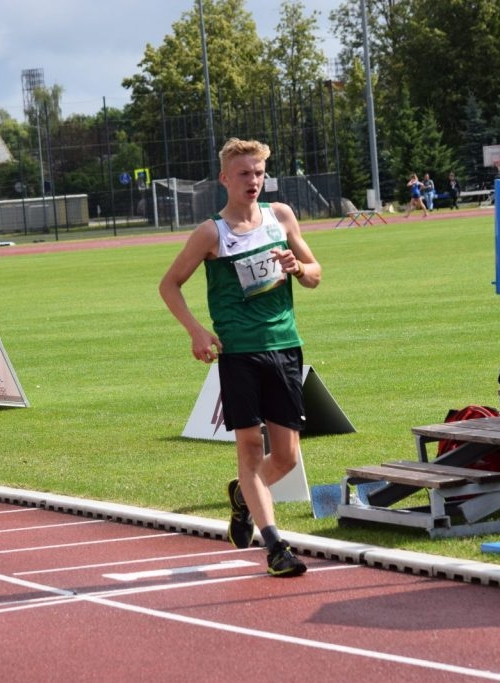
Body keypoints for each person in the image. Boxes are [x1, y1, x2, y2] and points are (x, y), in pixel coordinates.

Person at [159, 138, 321, 577]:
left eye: (259, 172)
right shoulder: (212, 232)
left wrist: (299, 269)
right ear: (225, 179)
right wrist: (196, 331)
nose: (253, 181)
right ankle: (275, 546)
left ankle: (243, 497)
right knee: (250, 449)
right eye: (244, 174)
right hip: (239, 355)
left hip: (285, 347)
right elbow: (169, 284)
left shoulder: (280, 216)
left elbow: (315, 276)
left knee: (285, 458)